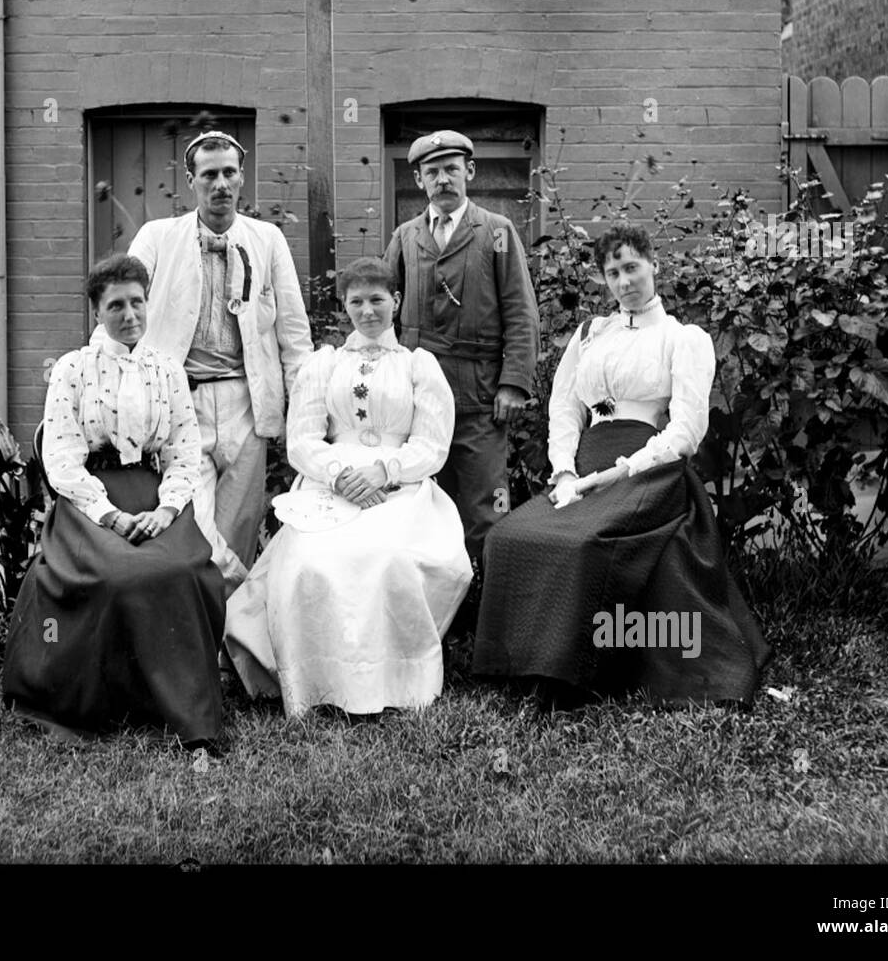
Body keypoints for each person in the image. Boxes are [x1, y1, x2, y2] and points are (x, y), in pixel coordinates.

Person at [472, 222, 771, 706]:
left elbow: (686, 431)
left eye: (633, 267)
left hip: (651, 468)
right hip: (587, 459)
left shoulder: (683, 338)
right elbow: (565, 407)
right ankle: (517, 664)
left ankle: (567, 676)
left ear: (655, 266)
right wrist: (565, 470)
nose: (625, 281)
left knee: (586, 543)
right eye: (613, 273)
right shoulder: (590, 334)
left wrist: (619, 471)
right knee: (510, 536)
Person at [224, 257, 472, 717]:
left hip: (398, 484)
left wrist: (384, 471)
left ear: (395, 302)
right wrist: (339, 474)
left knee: (390, 560)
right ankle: (316, 686)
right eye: (356, 302)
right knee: (309, 563)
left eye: (377, 300)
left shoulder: (419, 366)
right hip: (329, 482)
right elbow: (301, 439)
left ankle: (394, 686)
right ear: (345, 306)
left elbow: (433, 445)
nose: (368, 311)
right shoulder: (325, 363)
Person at [2, 254, 227, 748]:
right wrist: (110, 515)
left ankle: (181, 708)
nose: (129, 315)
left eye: (137, 303)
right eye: (116, 306)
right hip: (90, 501)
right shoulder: (73, 369)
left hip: (154, 497)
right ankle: (103, 702)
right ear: (96, 312)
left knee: (184, 572)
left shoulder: (166, 369)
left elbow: (185, 451)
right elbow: (60, 457)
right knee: (116, 576)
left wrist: (166, 508)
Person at [109, 130, 314, 591]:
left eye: (229, 173)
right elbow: (121, 309)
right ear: (191, 181)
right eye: (209, 175)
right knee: (194, 530)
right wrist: (102, 383)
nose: (220, 184)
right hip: (182, 401)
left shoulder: (267, 239)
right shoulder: (158, 237)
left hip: (247, 403)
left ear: (242, 177)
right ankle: (252, 602)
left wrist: (306, 413)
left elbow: (294, 336)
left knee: (238, 532)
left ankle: (226, 652)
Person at [385, 130, 539, 584]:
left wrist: (514, 382)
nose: (443, 179)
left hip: (480, 400)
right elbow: (380, 308)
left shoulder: (496, 233)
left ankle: (493, 622)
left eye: (452, 169)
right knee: (419, 509)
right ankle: (434, 617)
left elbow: (520, 310)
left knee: (488, 510)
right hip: (417, 404)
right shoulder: (407, 237)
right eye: (432, 172)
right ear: (418, 180)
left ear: (469, 172)